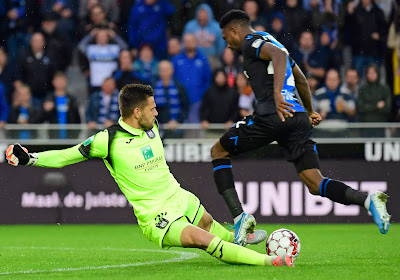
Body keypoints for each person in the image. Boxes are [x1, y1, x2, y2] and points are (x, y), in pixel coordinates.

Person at [5, 83, 293, 267]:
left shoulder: (152, 127)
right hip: (157, 216)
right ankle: (269, 262)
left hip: (181, 197)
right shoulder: (108, 140)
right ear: (137, 111)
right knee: (203, 240)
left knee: (212, 226)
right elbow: (67, 154)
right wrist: (31, 159)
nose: (157, 113)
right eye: (152, 109)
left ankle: (237, 238)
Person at [212, 10, 391, 246]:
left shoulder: (249, 42)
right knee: (315, 183)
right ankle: (368, 201)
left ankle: (240, 220)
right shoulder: (270, 39)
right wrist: (308, 110)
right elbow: (300, 78)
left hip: (272, 114)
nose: (228, 44)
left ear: (235, 30)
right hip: (296, 117)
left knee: (218, 151)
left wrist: (276, 95)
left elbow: (277, 56)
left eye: (226, 38)